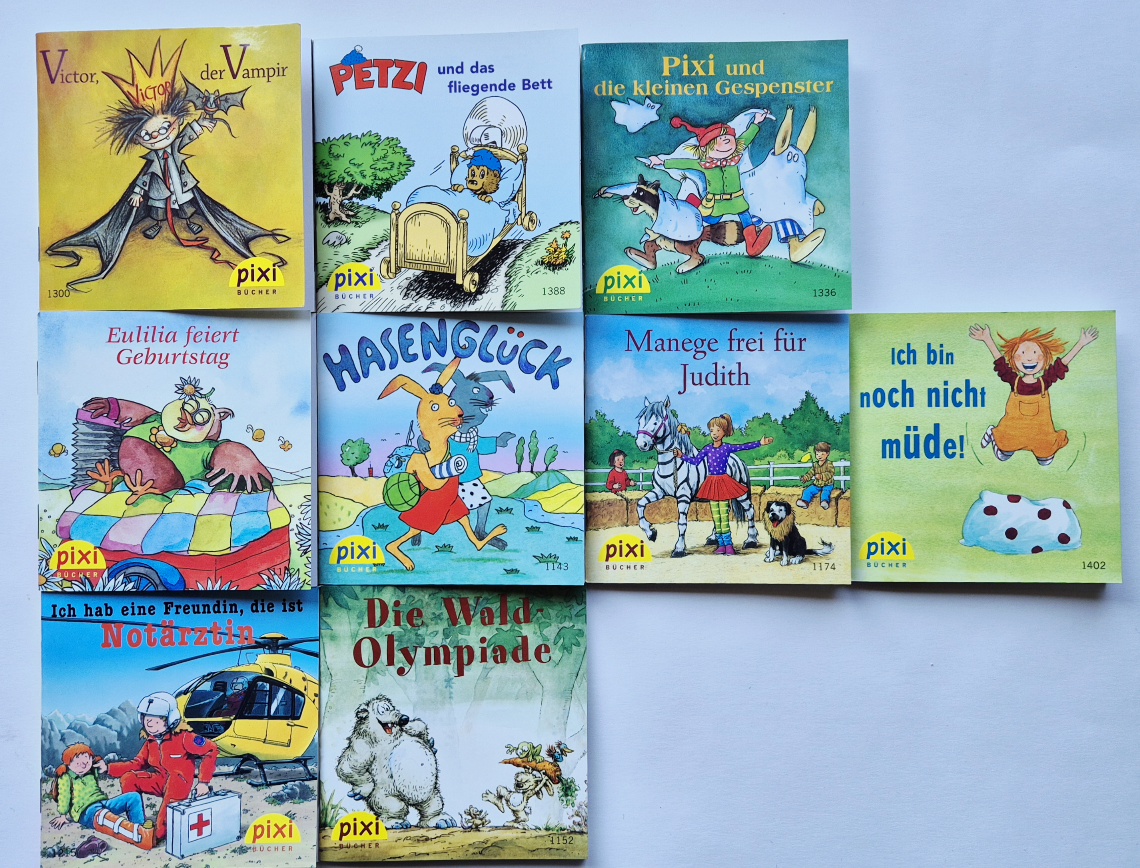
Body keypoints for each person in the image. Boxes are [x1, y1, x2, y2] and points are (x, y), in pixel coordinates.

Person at [647, 110, 775, 256]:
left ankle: (752, 246)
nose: (727, 141)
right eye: (721, 139)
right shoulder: (704, 164)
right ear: (707, 149)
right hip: (716, 204)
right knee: (709, 219)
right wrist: (662, 162)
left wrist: (756, 122)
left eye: (729, 138)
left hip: (737, 200)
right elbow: (683, 163)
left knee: (746, 218)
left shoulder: (735, 158)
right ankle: (691, 206)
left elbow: (746, 138)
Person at [969, 324, 1098, 466]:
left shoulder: (1045, 381)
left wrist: (1081, 343)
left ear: (1045, 357)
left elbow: (1062, 364)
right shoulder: (1014, 381)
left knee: (1046, 460)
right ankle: (994, 433)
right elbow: (1001, 364)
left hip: (1040, 433)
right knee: (1002, 455)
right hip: (1014, 430)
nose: (1029, 359)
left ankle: (1039, 450)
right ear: (1014, 358)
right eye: (1023, 353)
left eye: (1035, 353)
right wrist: (987, 339)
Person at [106, 692, 218, 843]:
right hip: (161, 781)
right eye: (146, 717)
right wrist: (108, 768)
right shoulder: (151, 742)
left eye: (156, 718)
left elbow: (211, 749)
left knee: (174, 783)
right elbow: (137, 764)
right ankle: (137, 824)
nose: (149, 722)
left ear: (170, 719)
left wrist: (203, 782)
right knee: (129, 778)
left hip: (179, 783)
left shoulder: (184, 737)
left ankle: (156, 835)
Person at [674, 415, 772, 555]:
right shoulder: (707, 449)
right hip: (711, 483)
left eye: (718, 430)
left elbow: (743, 447)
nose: (714, 433)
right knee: (716, 516)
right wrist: (682, 456)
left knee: (724, 516)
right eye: (712, 430)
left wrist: (760, 443)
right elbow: (695, 461)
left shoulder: (726, 448)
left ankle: (729, 545)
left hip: (723, 483)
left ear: (724, 432)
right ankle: (721, 544)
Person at [50, 743, 147, 831]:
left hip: (102, 803)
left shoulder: (91, 771)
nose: (83, 765)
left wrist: (102, 765)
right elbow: (64, 796)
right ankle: (130, 831)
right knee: (105, 816)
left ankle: (139, 827)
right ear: (69, 764)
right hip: (85, 811)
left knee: (133, 797)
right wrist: (63, 815)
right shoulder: (66, 777)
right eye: (77, 763)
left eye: (86, 761)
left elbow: (100, 766)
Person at [798, 442, 836, 510]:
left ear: (827, 454)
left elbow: (831, 473)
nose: (819, 456)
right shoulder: (815, 465)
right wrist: (805, 478)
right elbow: (811, 473)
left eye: (822, 454)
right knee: (808, 491)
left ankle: (825, 502)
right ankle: (805, 502)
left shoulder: (829, 464)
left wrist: (821, 476)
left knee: (825, 492)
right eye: (817, 454)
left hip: (827, 484)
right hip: (817, 485)